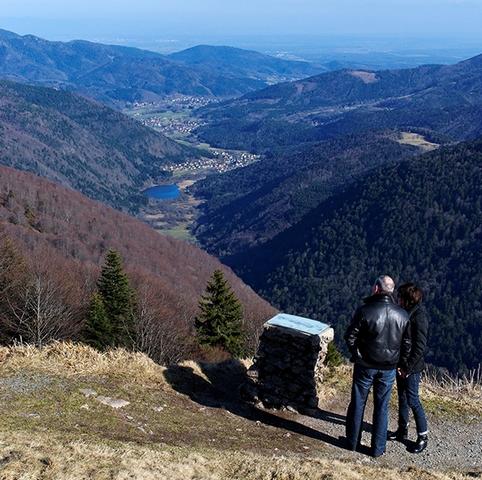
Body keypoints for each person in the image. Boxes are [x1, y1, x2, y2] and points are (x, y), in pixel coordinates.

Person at [344, 275, 411, 458]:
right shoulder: (403, 315)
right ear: (392, 291)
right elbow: (406, 345)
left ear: (375, 289)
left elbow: (350, 337)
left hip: (365, 365)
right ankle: (377, 449)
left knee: (358, 402)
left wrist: (357, 355)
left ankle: (352, 443)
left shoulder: (365, 311)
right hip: (389, 368)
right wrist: (401, 364)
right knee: (382, 406)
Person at [388, 283, 429, 454]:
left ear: (407, 300)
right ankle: (402, 430)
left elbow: (419, 347)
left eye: (400, 297)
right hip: (402, 364)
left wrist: (407, 368)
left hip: (411, 367)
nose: (397, 300)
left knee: (413, 399)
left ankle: (423, 436)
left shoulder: (419, 317)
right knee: (403, 397)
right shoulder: (408, 313)